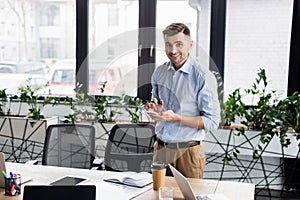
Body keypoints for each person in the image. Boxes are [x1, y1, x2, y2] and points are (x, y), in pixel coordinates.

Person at [145, 22, 220, 178]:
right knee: (157, 195)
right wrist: (155, 109)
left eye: (179, 44)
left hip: (188, 153)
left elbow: (212, 121)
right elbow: (158, 105)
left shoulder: (202, 77)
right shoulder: (159, 72)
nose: (173, 51)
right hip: (161, 150)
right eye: (168, 45)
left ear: (190, 44)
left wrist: (176, 118)